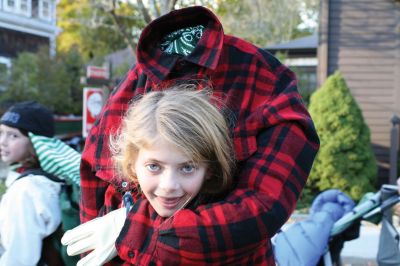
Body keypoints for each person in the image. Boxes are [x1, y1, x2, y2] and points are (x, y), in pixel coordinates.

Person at [76, 5, 320, 265]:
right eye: (154, 166)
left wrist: (134, 229)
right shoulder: (128, 90)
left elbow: (260, 210)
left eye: (188, 167)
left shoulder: (265, 79)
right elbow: (94, 196)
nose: (169, 185)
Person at [0, 101, 62, 266]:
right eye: (1, 132)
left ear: (36, 142)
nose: (3, 141)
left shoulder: (26, 191)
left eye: (13, 135)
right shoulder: (50, 176)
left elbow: (19, 258)